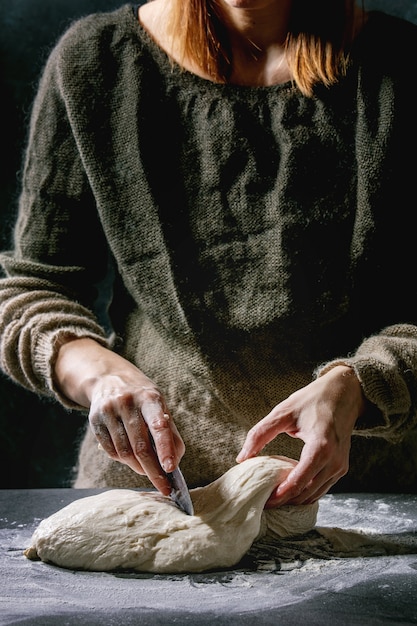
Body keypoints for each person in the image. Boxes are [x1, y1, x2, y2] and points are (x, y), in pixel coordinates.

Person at [1, 0, 417, 507]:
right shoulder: (96, 62)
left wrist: (360, 386)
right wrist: (100, 375)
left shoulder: (400, 65)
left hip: (365, 499)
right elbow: (32, 292)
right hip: (154, 492)